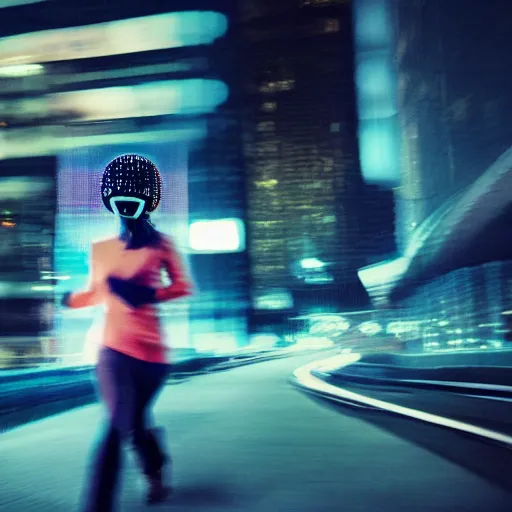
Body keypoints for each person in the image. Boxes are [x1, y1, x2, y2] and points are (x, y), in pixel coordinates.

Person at [62, 154, 193, 511]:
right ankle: (99, 504)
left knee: (132, 424)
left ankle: (155, 468)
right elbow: (97, 292)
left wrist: (148, 293)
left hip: (152, 357)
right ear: (110, 200)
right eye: (119, 194)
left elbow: (183, 286)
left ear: (148, 199)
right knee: (116, 425)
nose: (125, 201)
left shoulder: (161, 245)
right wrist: (70, 300)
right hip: (113, 350)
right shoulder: (101, 249)